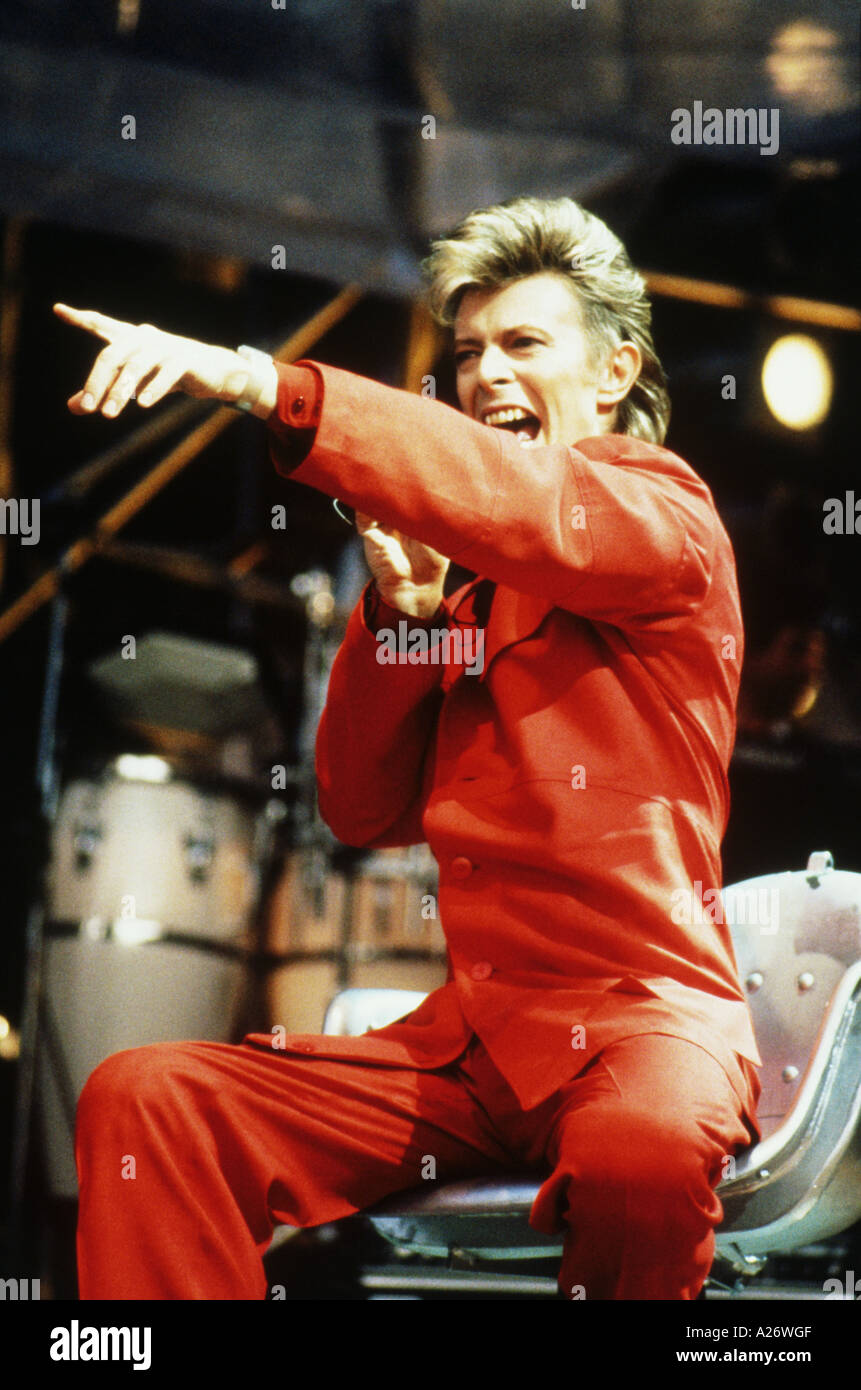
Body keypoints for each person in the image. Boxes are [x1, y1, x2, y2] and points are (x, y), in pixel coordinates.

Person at [59, 196, 761, 1301]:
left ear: (618, 369)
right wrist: (403, 618)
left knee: (642, 1149)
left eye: (526, 343)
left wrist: (263, 383)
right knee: (147, 1096)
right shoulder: (462, 583)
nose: (487, 376)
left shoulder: (665, 517)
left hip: (641, 1023)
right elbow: (358, 805)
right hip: (474, 1050)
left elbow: (529, 502)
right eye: (472, 352)